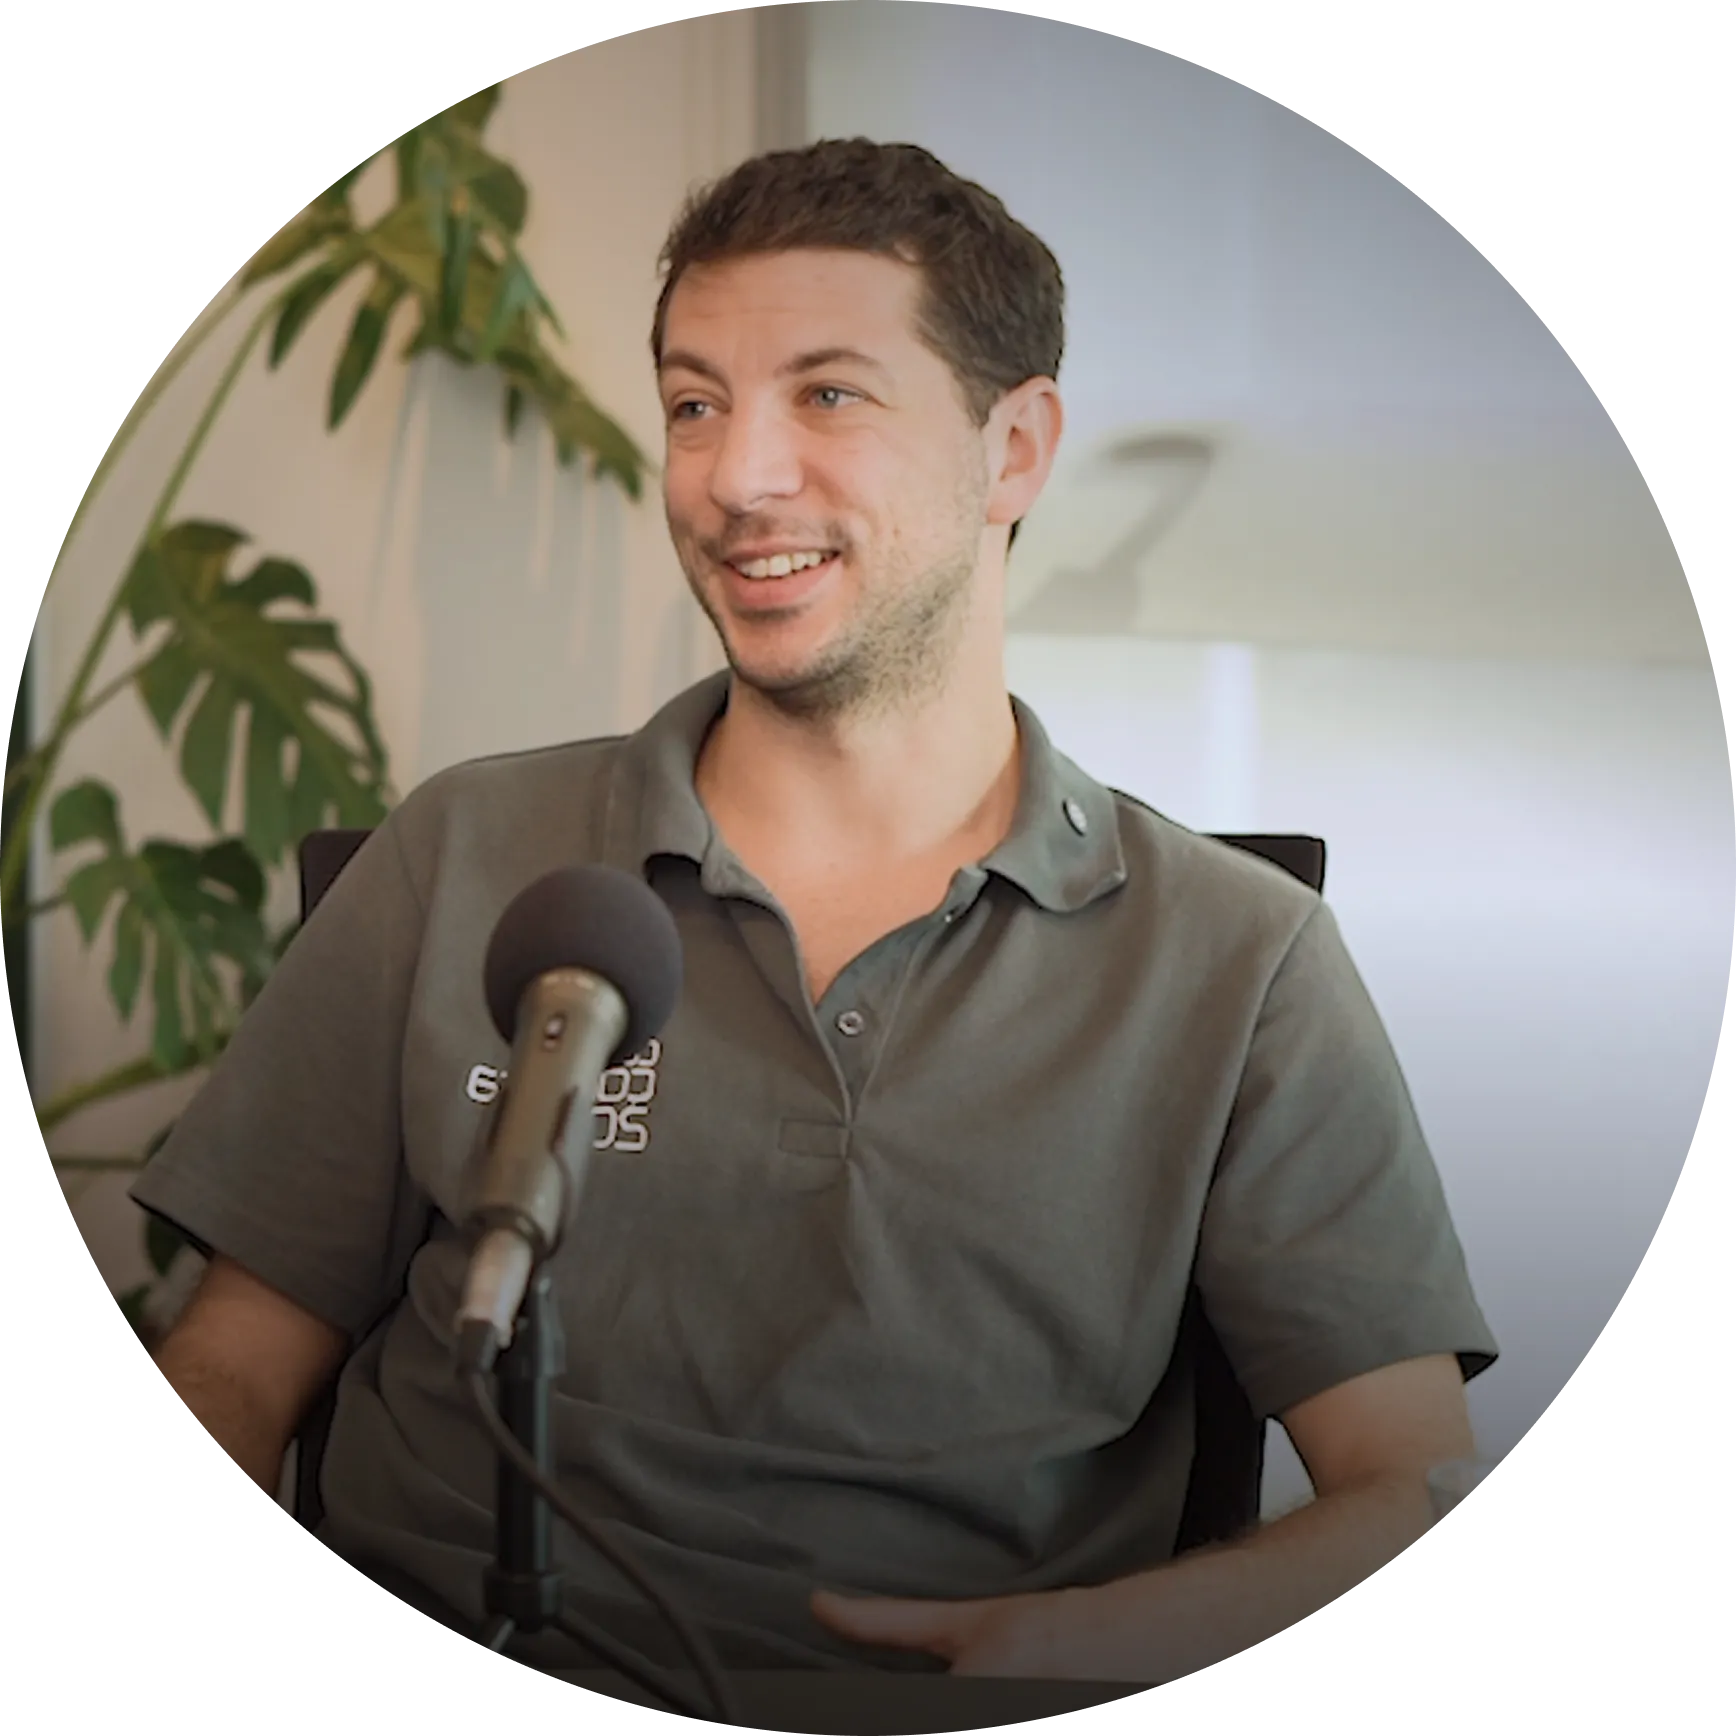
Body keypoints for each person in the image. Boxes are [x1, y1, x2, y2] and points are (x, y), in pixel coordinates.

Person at [131, 138, 1497, 1688]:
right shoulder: (464, 851)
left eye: (829, 396)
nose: (736, 477)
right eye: (694, 405)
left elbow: (1406, 1490)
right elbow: (236, 1364)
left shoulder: (1240, 962)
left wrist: (1101, 1645)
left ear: (1014, 450)